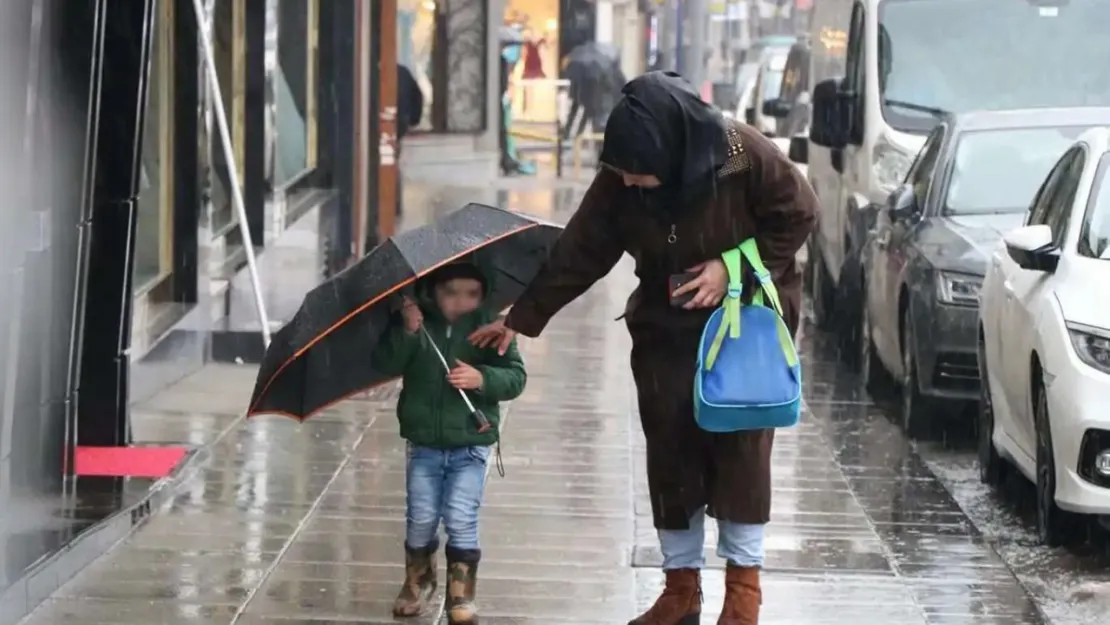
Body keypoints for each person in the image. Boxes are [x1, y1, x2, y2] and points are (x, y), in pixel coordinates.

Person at [469, 71, 817, 624]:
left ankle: (743, 597)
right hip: (666, 323)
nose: (630, 182)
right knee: (670, 448)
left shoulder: (740, 153)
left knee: (741, 447)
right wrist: (524, 315)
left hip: (744, 319)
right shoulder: (621, 177)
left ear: (674, 150)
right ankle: (680, 592)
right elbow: (582, 247)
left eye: (640, 173)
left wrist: (729, 269)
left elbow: (800, 214)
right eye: (623, 173)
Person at [374, 262, 527, 625]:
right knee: (421, 517)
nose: (461, 301)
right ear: (433, 292)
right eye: (451, 292)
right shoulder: (417, 324)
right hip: (424, 443)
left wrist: (481, 377)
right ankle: (419, 580)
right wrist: (408, 332)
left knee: (461, 516)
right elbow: (384, 362)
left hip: (470, 444)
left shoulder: (490, 327)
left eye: (471, 294)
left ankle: (461, 594)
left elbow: (515, 377)